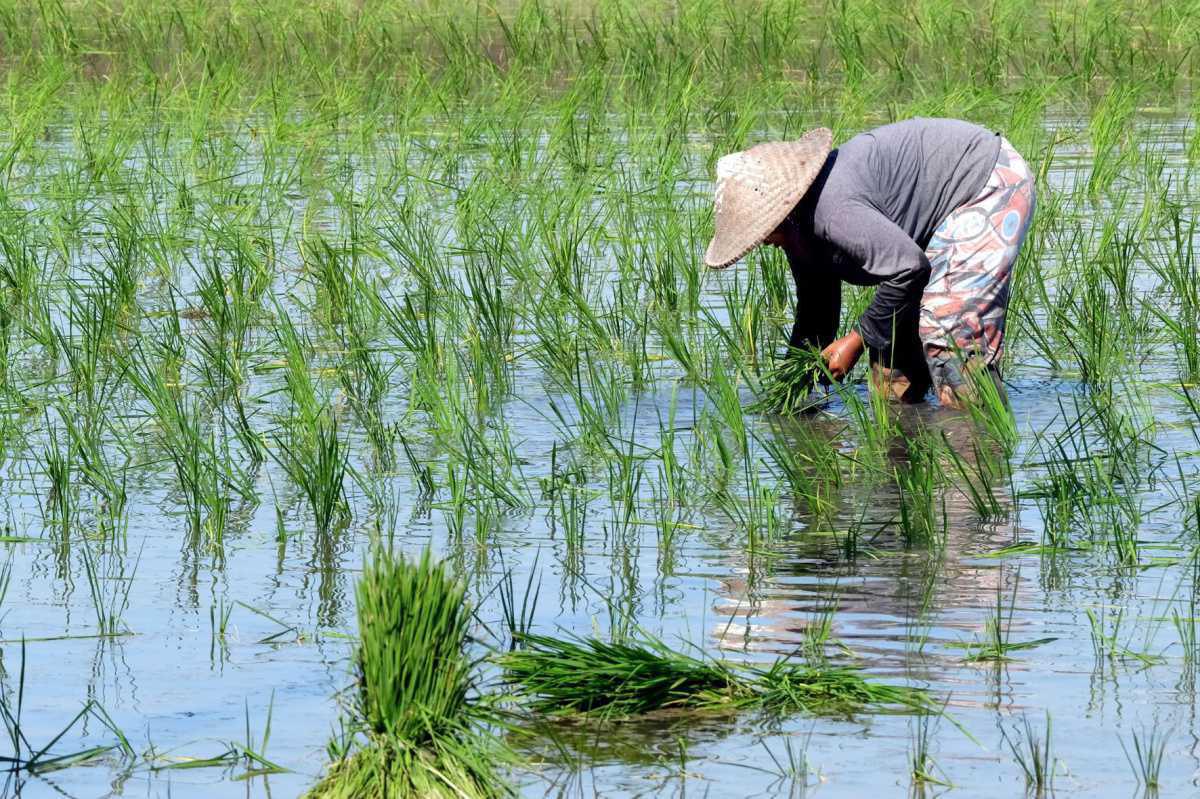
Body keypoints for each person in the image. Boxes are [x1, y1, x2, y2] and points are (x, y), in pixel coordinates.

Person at [704, 117, 1036, 408]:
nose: (763, 241)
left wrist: (856, 340)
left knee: (948, 335)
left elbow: (909, 268)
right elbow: (816, 313)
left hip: (986, 182)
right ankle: (904, 461)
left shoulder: (833, 211)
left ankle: (976, 453)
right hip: (931, 226)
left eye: (763, 230)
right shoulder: (799, 230)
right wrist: (794, 385)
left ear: (784, 212)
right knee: (889, 361)